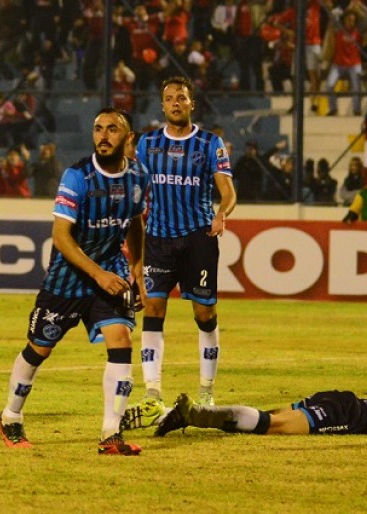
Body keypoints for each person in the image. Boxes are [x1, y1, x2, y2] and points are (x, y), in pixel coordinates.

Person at [0, 107, 149, 455]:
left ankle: (111, 433)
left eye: (112, 129)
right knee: (39, 349)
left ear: (128, 138)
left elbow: (135, 221)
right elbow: (61, 237)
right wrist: (98, 274)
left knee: (121, 339)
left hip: (110, 272)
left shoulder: (139, 177)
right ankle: (10, 416)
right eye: (98, 128)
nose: (103, 136)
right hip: (68, 278)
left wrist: (137, 268)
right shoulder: (77, 176)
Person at [126, 75, 236, 428]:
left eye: (181, 97)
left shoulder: (209, 143)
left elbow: (228, 190)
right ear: (162, 106)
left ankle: (206, 391)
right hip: (158, 239)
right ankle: (152, 394)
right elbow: (133, 186)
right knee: (153, 309)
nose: (175, 102)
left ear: (192, 104)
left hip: (198, 238)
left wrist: (222, 213)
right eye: (169, 98)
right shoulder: (148, 144)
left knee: (204, 313)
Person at [155, 376, 367, 438]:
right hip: (349, 415)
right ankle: (197, 414)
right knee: (273, 426)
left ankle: (199, 415)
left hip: (343, 399)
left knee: (273, 416)